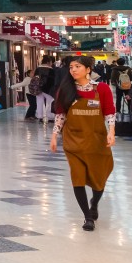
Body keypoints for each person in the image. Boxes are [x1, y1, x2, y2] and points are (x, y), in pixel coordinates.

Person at [50, 55, 115, 231]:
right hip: (73, 142)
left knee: (99, 178)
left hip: (97, 140)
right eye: (71, 67)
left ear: (88, 70)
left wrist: (111, 132)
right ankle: (87, 217)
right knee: (77, 177)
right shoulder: (66, 90)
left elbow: (109, 111)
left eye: (77, 66)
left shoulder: (102, 89)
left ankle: (95, 203)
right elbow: (60, 114)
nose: (73, 70)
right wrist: (55, 135)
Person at [33, 55, 58, 123]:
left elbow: (34, 78)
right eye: (50, 62)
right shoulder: (51, 70)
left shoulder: (38, 69)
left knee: (39, 102)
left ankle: (40, 117)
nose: (51, 63)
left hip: (38, 88)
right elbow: (53, 80)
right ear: (48, 62)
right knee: (50, 102)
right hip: (48, 89)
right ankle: (50, 117)